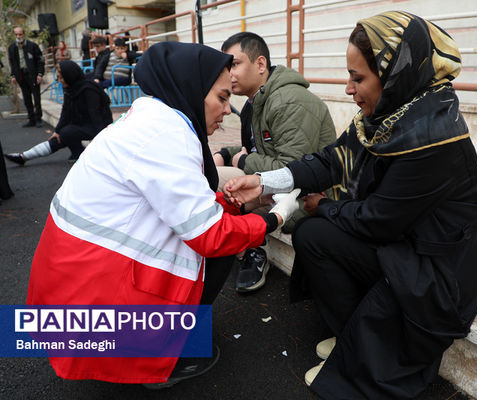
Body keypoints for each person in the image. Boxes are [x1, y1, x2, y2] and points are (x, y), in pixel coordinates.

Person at [224, 11, 477, 399]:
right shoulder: (389, 116)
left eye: (358, 78)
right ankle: (354, 338)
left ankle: (370, 355)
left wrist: (322, 207)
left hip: (440, 266)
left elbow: (379, 222)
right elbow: (332, 159)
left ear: (394, 74)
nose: (349, 88)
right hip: (405, 241)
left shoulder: (433, 137)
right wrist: (263, 181)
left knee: (318, 225)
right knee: (314, 235)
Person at [25, 42, 299, 386]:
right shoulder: (167, 135)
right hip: (94, 288)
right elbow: (209, 234)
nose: (228, 110)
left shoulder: (154, 117)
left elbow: (173, 199)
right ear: (193, 90)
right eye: (222, 97)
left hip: (72, 278)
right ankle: (159, 356)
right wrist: (274, 218)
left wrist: (231, 203)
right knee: (218, 248)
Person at [215, 32, 336, 293]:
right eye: (227, 66)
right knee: (214, 174)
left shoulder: (288, 100)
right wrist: (226, 153)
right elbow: (260, 148)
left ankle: (253, 251)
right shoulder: (255, 102)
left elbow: (293, 170)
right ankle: (235, 247)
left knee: (225, 185)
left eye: (235, 64)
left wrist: (245, 160)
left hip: (304, 197)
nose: (229, 73)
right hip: (278, 188)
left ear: (260, 65)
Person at [4, 61, 112, 165]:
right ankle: (23, 157)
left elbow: (96, 115)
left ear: (70, 75)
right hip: (84, 123)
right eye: (58, 77)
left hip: (100, 126)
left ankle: (80, 154)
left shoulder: (88, 89)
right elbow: (65, 111)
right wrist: (57, 131)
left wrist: (101, 142)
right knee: (60, 136)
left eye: (61, 77)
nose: (59, 80)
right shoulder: (71, 88)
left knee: (66, 132)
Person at [8, 26, 45, 128]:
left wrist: (40, 74)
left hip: (33, 75)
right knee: (26, 98)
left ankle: (38, 119)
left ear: (24, 34)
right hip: (21, 76)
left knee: (36, 97)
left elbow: (40, 60)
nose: (18, 36)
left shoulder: (32, 46)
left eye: (20, 34)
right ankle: (31, 119)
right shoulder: (12, 48)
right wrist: (13, 75)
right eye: (16, 34)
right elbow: (12, 62)